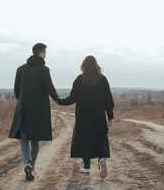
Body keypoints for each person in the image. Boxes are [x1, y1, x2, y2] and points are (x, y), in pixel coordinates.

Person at [8, 43, 60, 181]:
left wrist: (23, 101)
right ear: (41, 53)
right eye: (45, 53)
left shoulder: (20, 69)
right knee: (35, 141)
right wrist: (58, 99)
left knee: (24, 138)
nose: (46, 55)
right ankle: (32, 168)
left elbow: (16, 90)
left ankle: (27, 163)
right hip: (38, 110)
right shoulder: (43, 69)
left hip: (23, 109)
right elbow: (50, 88)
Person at [57, 55, 114, 179]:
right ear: (96, 65)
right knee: (100, 138)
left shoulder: (80, 79)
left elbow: (72, 98)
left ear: (84, 66)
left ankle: (87, 166)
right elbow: (108, 100)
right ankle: (101, 159)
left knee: (85, 140)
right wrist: (110, 116)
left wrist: (59, 101)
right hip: (99, 116)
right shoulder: (103, 79)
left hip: (84, 117)